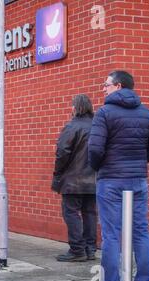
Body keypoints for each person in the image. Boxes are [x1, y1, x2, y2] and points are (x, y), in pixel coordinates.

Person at [86, 71, 149, 281]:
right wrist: (137, 162)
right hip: (138, 180)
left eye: (106, 84)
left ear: (118, 86)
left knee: (111, 235)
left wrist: (99, 167)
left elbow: (95, 149)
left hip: (110, 180)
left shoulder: (105, 113)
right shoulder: (146, 113)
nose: (103, 88)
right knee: (140, 232)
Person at [51, 94, 97, 262]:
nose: (70, 108)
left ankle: (77, 249)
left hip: (73, 180)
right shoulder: (98, 126)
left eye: (72, 105)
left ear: (76, 107)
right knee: (90, 213)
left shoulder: (72, 126)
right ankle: (90, 249)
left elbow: (62, 152)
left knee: (71, 213)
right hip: (94, 179)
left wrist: (57, 173)